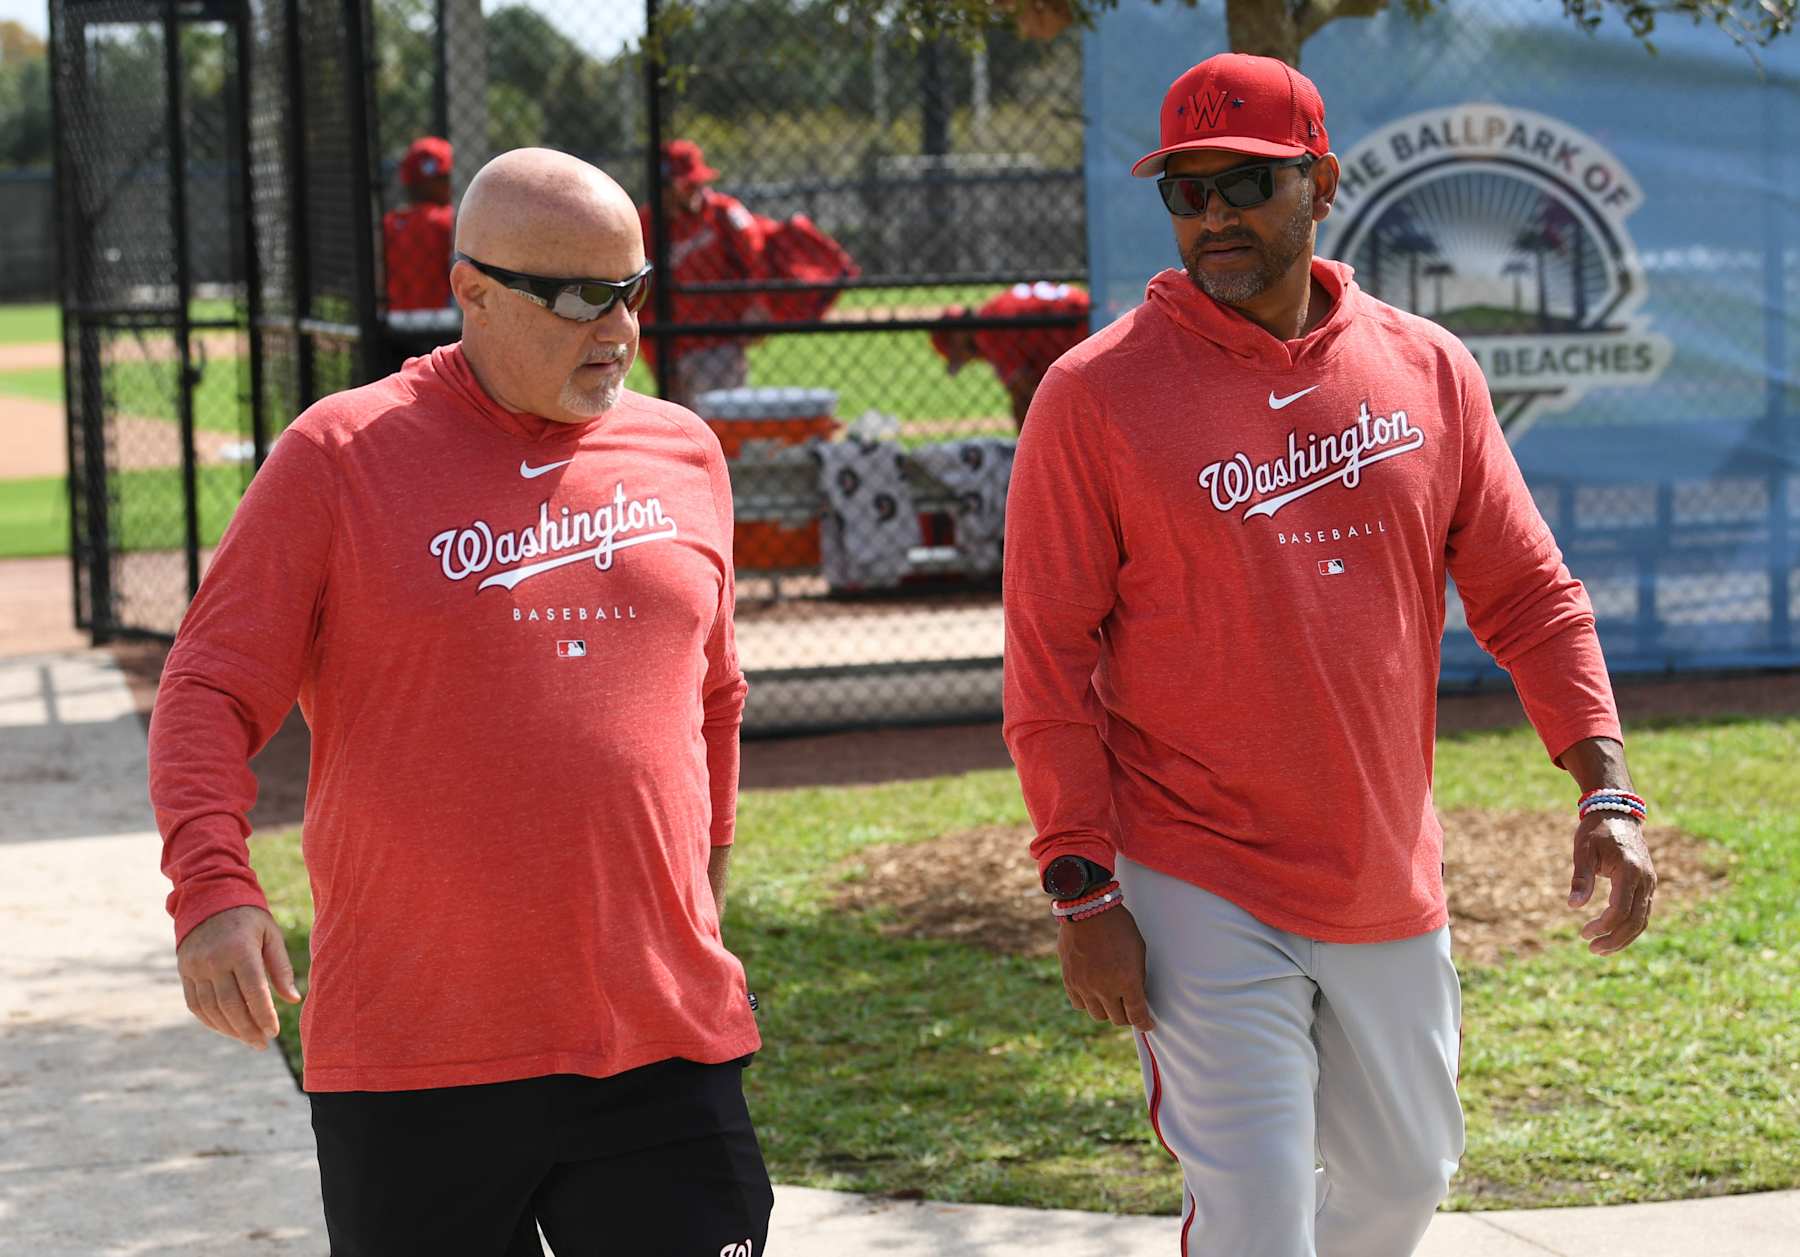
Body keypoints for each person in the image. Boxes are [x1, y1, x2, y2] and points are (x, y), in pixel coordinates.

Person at [1002, 53, 1656, 1257]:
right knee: (1253, 1218)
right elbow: (1047, 663)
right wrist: (1082, 882)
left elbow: (1531, 597)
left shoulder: (1426, 367)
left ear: (1321, 184)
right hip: (1193, 867)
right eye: (1184, 194)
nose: (1213, 220)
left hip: (1381, 869)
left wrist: (1604, 788)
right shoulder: (1093, 397)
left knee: (1405, 1184)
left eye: (1244, 185)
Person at [149, 147, 771, 1257]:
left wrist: (709, 864)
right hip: (416, 1054)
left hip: (662, 1043)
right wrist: (211, 886)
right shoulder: (340, 456)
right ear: (472, 291)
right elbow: (205, 686)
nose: (618, 328)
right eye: (578, 297)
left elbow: (713, 694)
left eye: (632, 289)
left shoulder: (686, 452)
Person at [638, 138, 767, 409]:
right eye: (687, 184)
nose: (696, 190)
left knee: (720, 422)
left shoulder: (724, 212)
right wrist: (654, 351)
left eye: (699, 182)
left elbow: (756, 260)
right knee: (676, 423)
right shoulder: (647, 224)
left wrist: (758, 306)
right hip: (670, 345)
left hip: (718, 340)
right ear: (664, 187)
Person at [930, 282, 1091, 429]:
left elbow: (1023, 393)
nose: (968, 360)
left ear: (958, 338)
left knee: (1023, 404)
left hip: (1082, 326)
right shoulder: (991, 313)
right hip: (1085, 312)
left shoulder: (989, 333)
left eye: (958, 354)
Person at [382, 135, 455, 311]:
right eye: (445, 178)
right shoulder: (447, 219)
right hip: (445, 323)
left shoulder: (389, 223)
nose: (450, 185)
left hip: (395, 322)